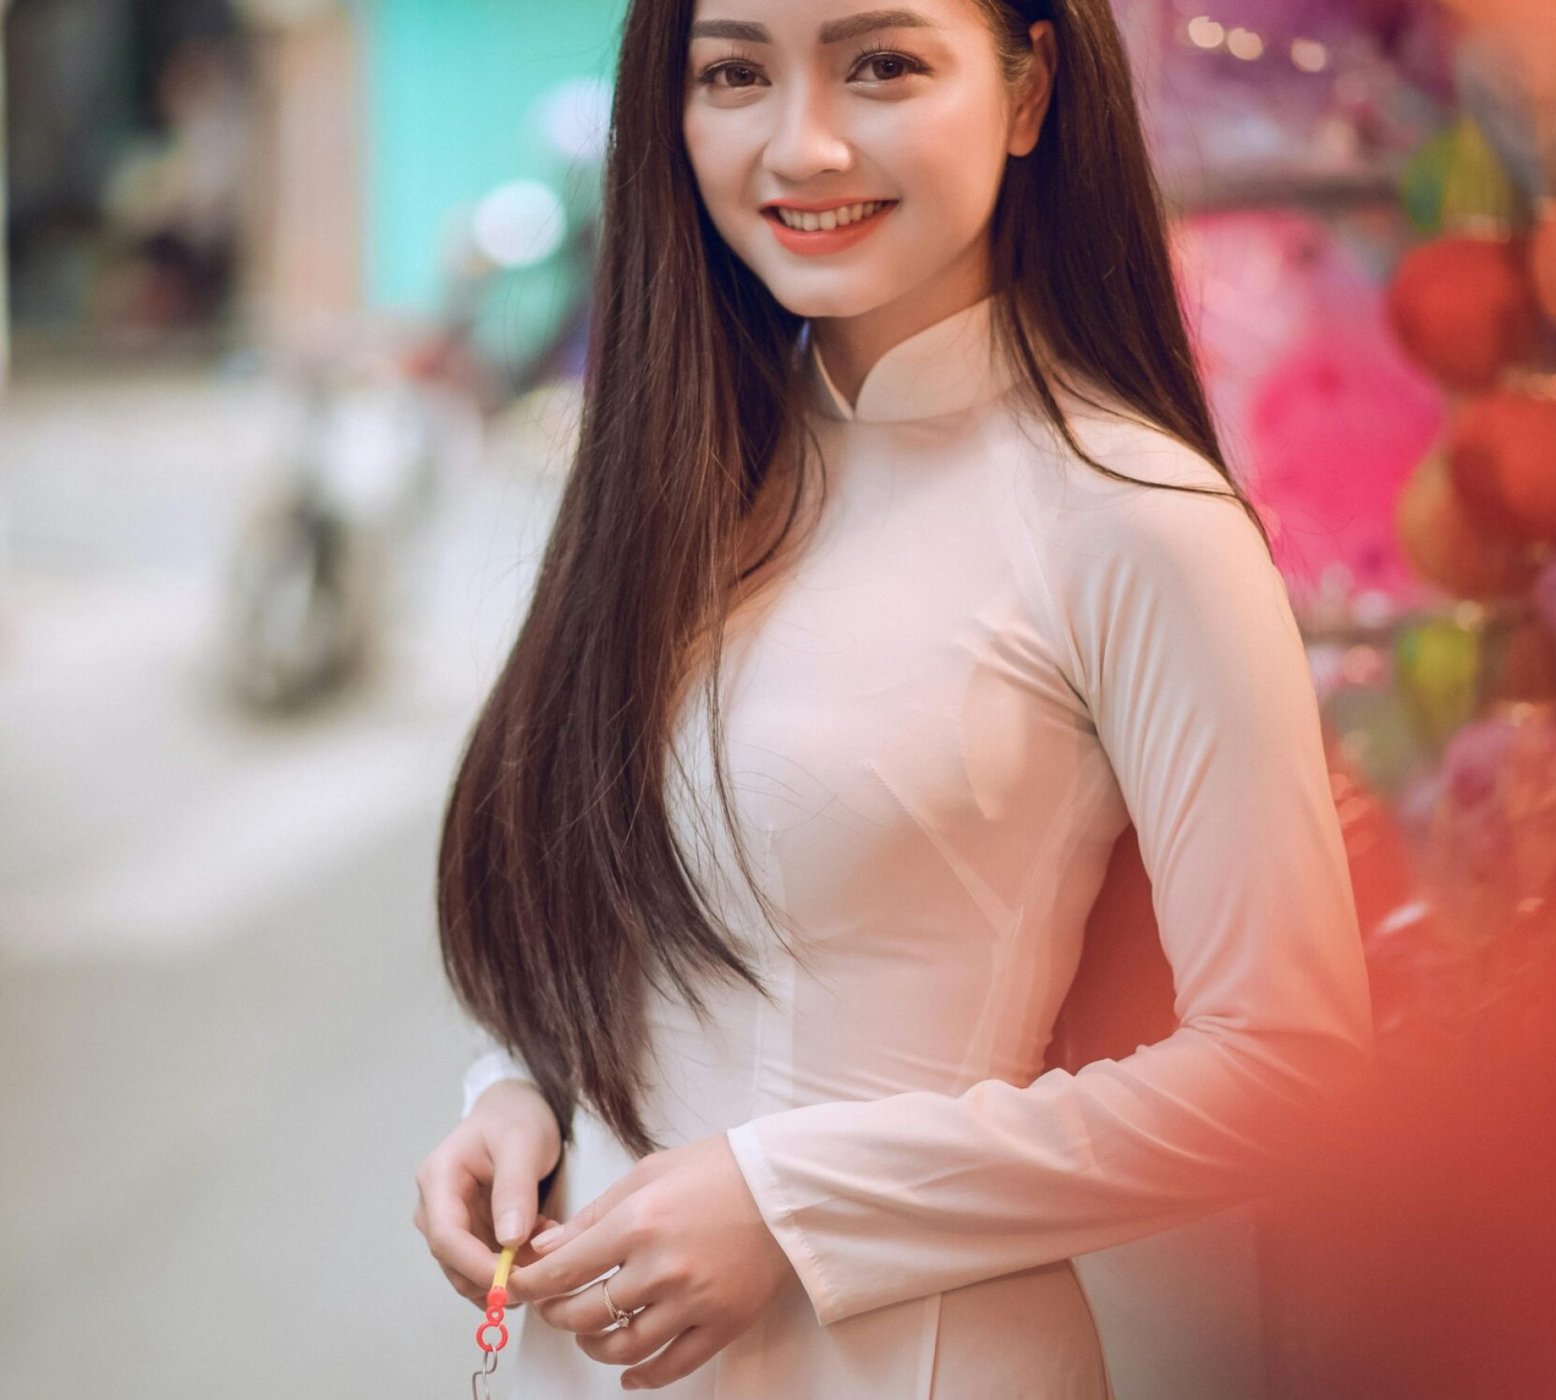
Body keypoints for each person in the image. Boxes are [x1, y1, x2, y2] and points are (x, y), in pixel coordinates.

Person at [412, 0, 1376, 1395]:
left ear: (1030, 88)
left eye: (881, 65)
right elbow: (667, 908)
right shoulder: (676, 481)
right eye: (735, 73)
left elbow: (1290, 1068)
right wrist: (520, 1094)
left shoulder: (1132, 520)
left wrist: (794, 1205)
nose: (801, 146)